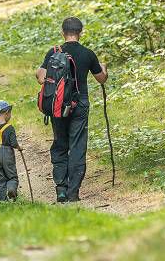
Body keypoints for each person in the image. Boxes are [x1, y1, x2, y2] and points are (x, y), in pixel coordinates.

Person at [35, 17, 108, 203]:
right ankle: (73, 192)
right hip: (80, 104)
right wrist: (104, 69)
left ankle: (61, 190)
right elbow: (101, 79)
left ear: (63, 32)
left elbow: (41, 77)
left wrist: (41, 70)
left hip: (59, 104)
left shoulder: (54, 52)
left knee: (60, 143)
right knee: (77, 146)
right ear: (80, 32)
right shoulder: (88, 54)